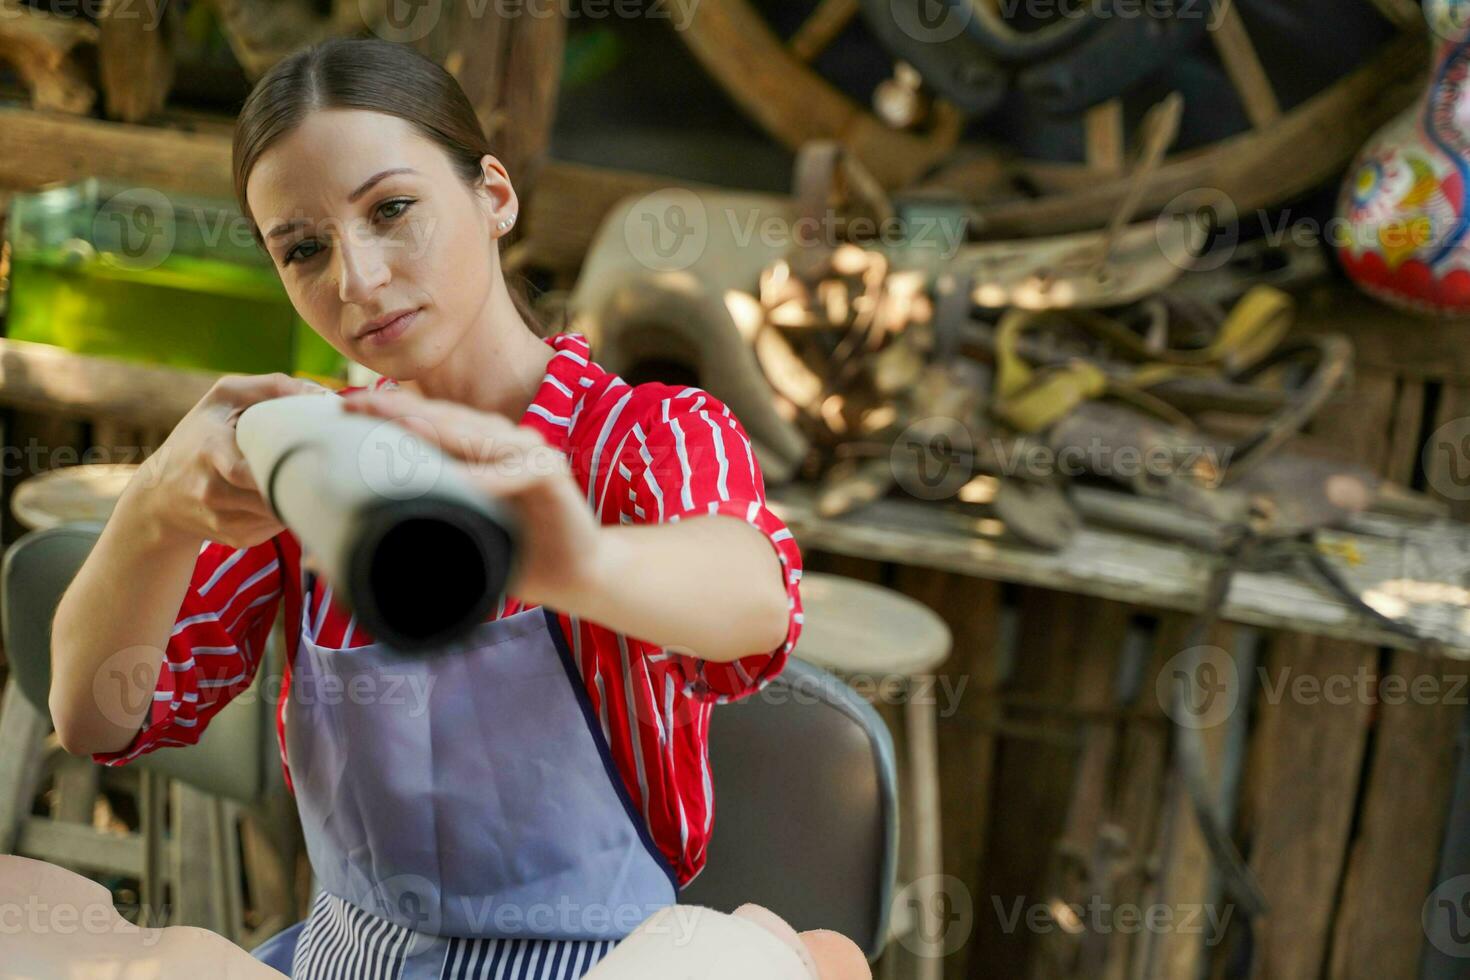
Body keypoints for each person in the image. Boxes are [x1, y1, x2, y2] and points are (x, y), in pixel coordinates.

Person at [47, 36, 804, 980]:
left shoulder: (642, 436)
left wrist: (578, 566)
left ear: (494, 195)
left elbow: (755, 604)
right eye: (305, 249)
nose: (356, 280)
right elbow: (96, 719)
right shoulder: (306, 463)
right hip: (348, 958)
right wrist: (153, 509)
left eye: (392, 210)